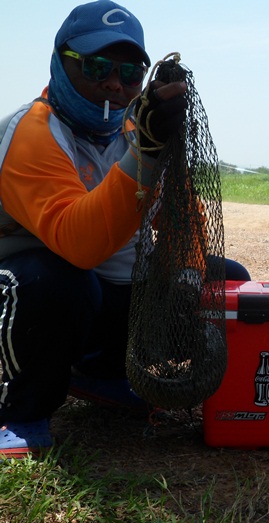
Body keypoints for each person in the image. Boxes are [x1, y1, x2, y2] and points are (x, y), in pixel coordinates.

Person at [0, 0, 250, 458]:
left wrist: (188, 279)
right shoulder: (33, 132)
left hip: (112, 295)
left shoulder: (139, 126)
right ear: (60, 63)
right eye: (96, 67)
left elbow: (184, 218)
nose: (114, 84)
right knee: (58, 282)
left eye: (130, 73)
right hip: (33, 292)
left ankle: (101, 373)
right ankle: (19, 410)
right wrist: (146, 154)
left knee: (227, 280)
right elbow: (80, 245)